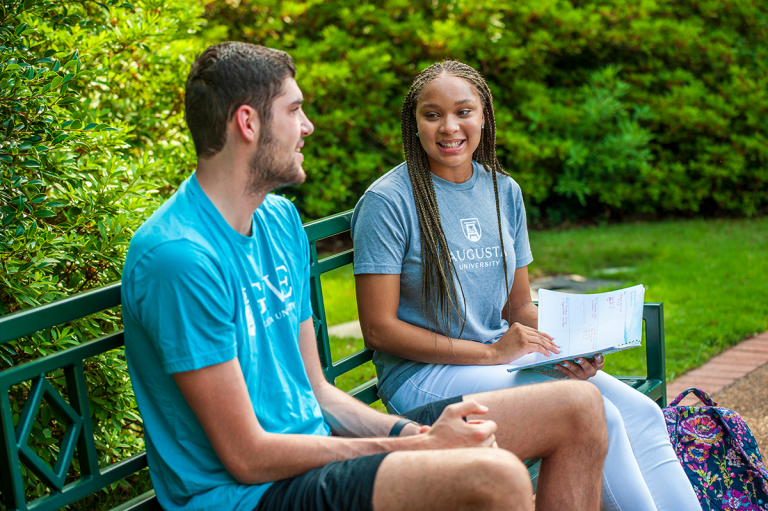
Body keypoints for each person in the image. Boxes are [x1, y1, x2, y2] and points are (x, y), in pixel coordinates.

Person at [121, 43, 609, 511]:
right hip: (249, 494)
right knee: (494, 474)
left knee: (579, 407)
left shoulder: (278, 222)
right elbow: (247, 458)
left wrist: (413, 436)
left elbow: (317, 390)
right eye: (294, 111)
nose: (307, 126)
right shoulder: (180, 258)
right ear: (248, 123)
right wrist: (417, 450)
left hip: (316, 451)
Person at [351, 60, 701, 511]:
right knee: (603, 417)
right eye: (432, 114)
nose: (449, 127)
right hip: (423, 376)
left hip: (496, 359)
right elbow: (379, 330)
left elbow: (519, 308)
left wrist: (571, 348)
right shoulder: (388, 202)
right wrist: (494, 353)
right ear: (413, 122)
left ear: (484, 117)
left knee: (642, 413)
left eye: (463, 111)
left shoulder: (503, 191)